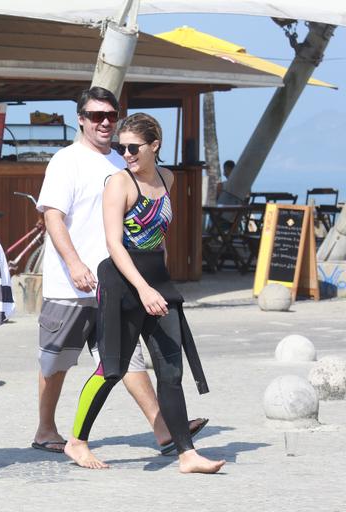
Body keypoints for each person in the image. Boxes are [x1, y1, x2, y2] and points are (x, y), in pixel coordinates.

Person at [33, 87, 206, 465]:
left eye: (110, 114)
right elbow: (52, 217)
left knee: (127, 360)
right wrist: (75, 264)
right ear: (81, 118)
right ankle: (46, 428)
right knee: (56, 360)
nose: (105, 122)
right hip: (72, 282)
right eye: (96, 115)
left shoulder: (121, 159)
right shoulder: (67, 161)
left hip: (118, 283)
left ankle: (163, 429)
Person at [76, 112, 225, 473]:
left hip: (157, 280)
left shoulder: (167, 177)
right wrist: (142, 289)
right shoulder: (119, 184)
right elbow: (114, 243)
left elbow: (158, 237)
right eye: (121, 147)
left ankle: (187, 455)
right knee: (113, 368)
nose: (125, 153)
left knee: (170, 369)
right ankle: (76, 442)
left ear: (154, 145)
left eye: (133, 147)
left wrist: (161, 282)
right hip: (122, 282)